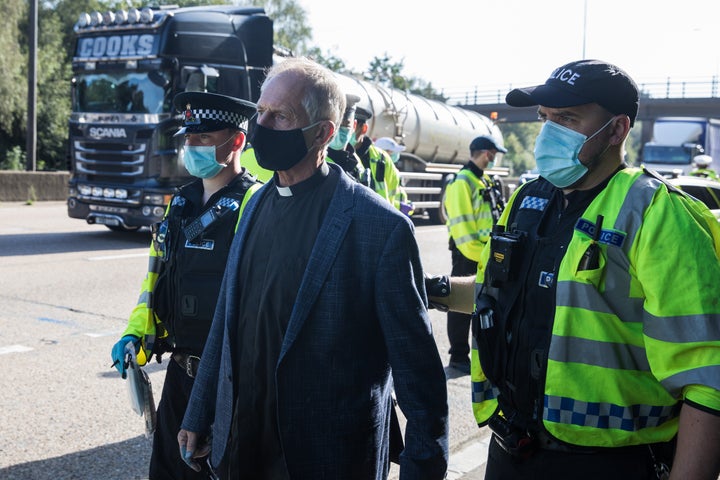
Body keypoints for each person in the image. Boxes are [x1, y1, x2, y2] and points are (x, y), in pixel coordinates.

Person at [429, 59, 720, 479]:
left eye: (566, 118)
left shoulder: (657, 214)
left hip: (608, 464)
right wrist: (428, 290)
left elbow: (708, 378)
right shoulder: (529, 199)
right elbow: (502, 292)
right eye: (544, 117)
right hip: (510, 450)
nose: (548, 131)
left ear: (617, 129)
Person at [178, 57, 449, 480]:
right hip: (243, 445)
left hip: (328, 458)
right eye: (261, 112)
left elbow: (420, 379)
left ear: (322, 132)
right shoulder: (253, 207)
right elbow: (225, 324)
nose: (261, 125)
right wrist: (199, 413)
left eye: (280, 116)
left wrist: (422, 469)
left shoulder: (379, 228)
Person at [110, 91, 259, 480]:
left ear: (237, 142)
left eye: (203, 139)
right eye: (188, 139)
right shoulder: (181, 204)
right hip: (179, 376)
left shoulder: (255, 205)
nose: (191, 147)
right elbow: (154, 281)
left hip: (227, 382)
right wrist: (136, 335)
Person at [441, 135, 506, 375]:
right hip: (469, 253)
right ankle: (458, 355)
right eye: (492, 153)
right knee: (460, 302)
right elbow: (463, 230)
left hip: (486, 253)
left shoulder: (485, 180)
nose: (493, 158)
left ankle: (483, 354)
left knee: (486, 304)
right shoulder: (462, 182)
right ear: (485, 153)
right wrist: (485, 256)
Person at [352, 108, 412, 215]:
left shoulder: (382, 159)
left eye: (353, 126)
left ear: (364, 128)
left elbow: (393, 194)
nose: (346, 131)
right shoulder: (328, 155)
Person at [326, 92, 366, 182]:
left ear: (354, 126)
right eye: (336, 124)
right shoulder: (315, 160)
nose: (339, 130)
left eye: (345, 125)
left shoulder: (356, 163)